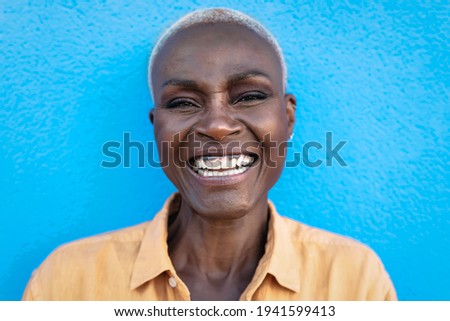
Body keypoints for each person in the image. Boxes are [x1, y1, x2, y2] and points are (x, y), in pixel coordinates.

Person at [23, 8, 396, 301]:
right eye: (184, 103)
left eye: (249, 96)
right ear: (156, 127)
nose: (217, 126)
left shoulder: (354, 279)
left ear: (288, 117)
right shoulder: (67, 281)